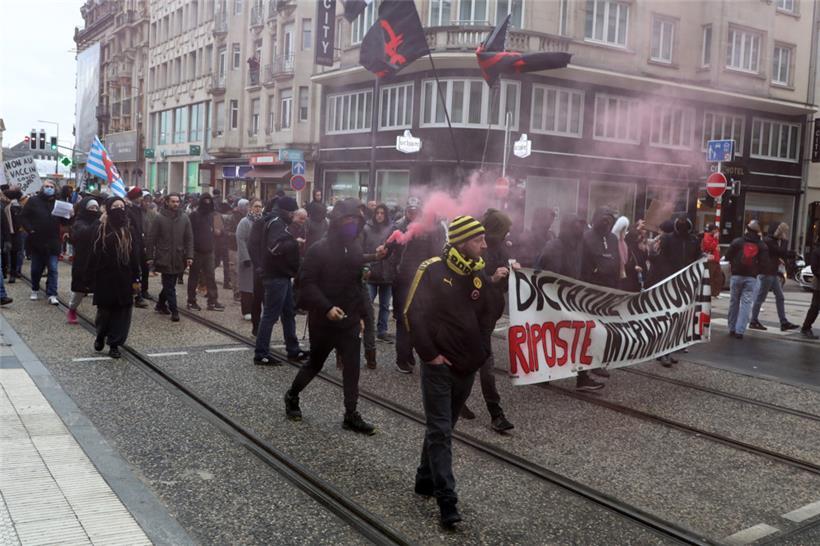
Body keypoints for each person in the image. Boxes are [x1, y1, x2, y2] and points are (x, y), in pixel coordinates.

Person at [404, 215, 492, 528]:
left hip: (467, 367)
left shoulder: (478, 273)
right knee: (440, 430)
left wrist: (481, 352)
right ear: (462, 241)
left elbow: (486, 316)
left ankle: (424, 478)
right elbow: (412, 313)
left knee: (442, 429)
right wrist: (430, 356)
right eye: (478, 239)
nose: (484, 244)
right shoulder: (431, 269)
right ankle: (447, 500)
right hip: (438, 366)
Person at [284, 198, 383, 435]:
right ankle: (292, 395)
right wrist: (327, 307)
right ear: (337, 222)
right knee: (315, 364)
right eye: (348, 220)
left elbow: (357, 278)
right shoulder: (319, 248)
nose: (353, 225)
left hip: (348, 319)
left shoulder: (355, 246)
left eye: (356, 221)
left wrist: (375, 259)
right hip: (323, 319)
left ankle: (351, 414)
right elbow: (306, 283)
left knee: (352, 368)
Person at [458, 209, 515, 432]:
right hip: (477, 315)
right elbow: (473, 283)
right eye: (505, 229)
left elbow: (501, 282)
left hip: (491, 313)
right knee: (485, 363)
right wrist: (493, 278)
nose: (508, 233)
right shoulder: (476, 249)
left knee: (474, 361)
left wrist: (511, 273)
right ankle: (496, 413)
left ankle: (458, 399)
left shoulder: (500, 247)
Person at [539, 214, 604, 391]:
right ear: (569, 227)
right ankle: (543, 373)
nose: (581, 230)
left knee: (579, 337)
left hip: (572, 298)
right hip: (555, 300)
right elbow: (550, 274)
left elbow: (585, 266)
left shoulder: (579, 245)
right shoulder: (555, 246)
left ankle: (582, 377)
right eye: (577, 225)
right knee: (554, 337)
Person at [249, 196, 309, 365]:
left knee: (289, 312)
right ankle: (261, 353)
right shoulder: (276, 223)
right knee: (270, 315)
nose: (293, 215)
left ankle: (293, 349)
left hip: (281, 275)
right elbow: (274, 248)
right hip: (276, 275)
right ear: (286, 211)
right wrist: (293, 242)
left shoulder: (274, 220)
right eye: (292, 212)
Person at [393, 197, 446, 374]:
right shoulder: (400, 226)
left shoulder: (430, 228)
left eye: (415, 210)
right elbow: (392, 250)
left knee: (417, 318)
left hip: (420, 279)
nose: (412, 213)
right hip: (403, 279)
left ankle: (409, 354)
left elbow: (435, 252)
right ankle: (403, 357)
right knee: (403, 319)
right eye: (410, 210)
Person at [90, 197, 140, 359]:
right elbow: (92, 253)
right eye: (115, 206)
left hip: (124, 278)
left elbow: (135, 256)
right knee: (105, 313)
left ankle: (115, 344)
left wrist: (136, 278)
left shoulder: (129, 230)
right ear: (108, 208)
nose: (119, 209)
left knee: (122, 314)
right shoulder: (100, 228)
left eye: (122, 206)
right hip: (104, 278)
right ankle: (100, 334)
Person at [580, 207, 619, 379]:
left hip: (607, 289)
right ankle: (583, 367)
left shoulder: (612, 238)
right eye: (604, 219)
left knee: (602, 330)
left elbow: (616, 260)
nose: (607, 222)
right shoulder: (586, 237)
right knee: (587, 331)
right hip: (590, 289)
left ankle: (597, 362)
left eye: (610, 220)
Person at [146, 193, 193, 322]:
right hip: (164, 257)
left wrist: (189, 255)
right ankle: (175, 311)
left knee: (169, 284)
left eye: (177, 201)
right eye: (173, 201)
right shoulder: (159, 218)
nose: (175, 204)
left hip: (178, 256)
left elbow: (189, 239)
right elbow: (151, 239)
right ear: (167, 202)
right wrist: (149, 257)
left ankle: (160, 304)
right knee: (170, 285)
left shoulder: (184, 218)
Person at [20, 180, 66, 304]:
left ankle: (52, 293)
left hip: (53, 241)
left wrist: (70, 215)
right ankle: (35, 288)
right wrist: (30, 230)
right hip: (37, 241)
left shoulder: (59, 202)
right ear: (42, 188)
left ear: (55, 189)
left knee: (53, 268)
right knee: (36, 269)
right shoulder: (33, 201)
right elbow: (23, 216)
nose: (49, 188)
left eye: (51, 187)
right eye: (46, 186)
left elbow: (65, 222)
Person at [749, 222, 800, 332]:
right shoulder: (768, 241)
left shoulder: (772, 241)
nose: (783, 235)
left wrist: (791, 253)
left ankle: (783, 322)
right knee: (760, 298)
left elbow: (781, 253)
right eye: (782, 233)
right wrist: (785, 241)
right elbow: (781, 252)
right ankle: (753, 321)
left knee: (780, 297)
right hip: (766, 273)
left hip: (772, 273)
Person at [725, 220, 768, 339]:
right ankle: (740, 331)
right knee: (746, 304)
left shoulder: (738, 242)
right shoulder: (761, 245)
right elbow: (765, 263)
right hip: (751, 278)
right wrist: (756, 271)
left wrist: (733, 265)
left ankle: (731, 328)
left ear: (747, 230)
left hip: (736, 276)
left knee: (734, 302)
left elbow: (728, 256)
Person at [187, 193, 225, 311]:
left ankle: (213, 301)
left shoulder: (215, 215)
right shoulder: (194, 215)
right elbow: (188, 234)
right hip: (196, 251)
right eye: (205, 201)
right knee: (193, 277)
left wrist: (218, 232)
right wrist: (189, 252)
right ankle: (191, 301)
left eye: (209, 201)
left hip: (209, 251)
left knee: (211, 277)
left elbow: (221, 232)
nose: (207, 203)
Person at [362, 203, 394, 343]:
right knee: (367, 303)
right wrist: (366, 265)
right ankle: (366, 329)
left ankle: (382, 330)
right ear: (374, 214)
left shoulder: (391, 228)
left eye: (382, 213)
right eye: (377, 213)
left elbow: (395, 249)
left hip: (387, 272)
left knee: (385, 305)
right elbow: (361, 249)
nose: (380, 215)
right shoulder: (366, 228)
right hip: (372, 271)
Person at [67, 198, 101, 324]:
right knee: (79, 289)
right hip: (84, 260)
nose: (94, 210)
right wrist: (98, 222)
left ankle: (101, 316)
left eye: (96, 208)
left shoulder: (101, 220)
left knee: (101, 289)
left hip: (98, 259)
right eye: (91, 208)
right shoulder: (79, 222)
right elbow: (85, 234)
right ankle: (72, 308)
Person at [236, 199, 263, 327]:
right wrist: (245, 257)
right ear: (250, 208)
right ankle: (246, 310)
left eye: (260, 206)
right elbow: (240, 240)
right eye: (256, 206)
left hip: (260, 258)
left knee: (259, 286)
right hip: (247, 259)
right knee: (247, 287)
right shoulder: (244, 222)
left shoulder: (263, 222)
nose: (258, 209)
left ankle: (257, 310)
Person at [126, 187, 149, 308]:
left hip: (139, 242)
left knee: (143, 268)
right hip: (131, 243)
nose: (141, 199)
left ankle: (141, 291)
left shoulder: (139, 209)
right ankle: (137, 295)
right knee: (135, 270)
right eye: (139, 196)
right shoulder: (128, 209)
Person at [799, 235, 820, 339]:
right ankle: (805, 328)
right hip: (819, 283)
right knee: (815, 307)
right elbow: (814, 268)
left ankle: (806, 327)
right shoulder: (817, 251)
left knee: (815, 307)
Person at [701, 223, 724, 297]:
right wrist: (715, 239)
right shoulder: (706, 237)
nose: (718, 232)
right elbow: (709, 248)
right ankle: (709, 293)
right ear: (713, 230)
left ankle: (714, 293)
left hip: (716, 260)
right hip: (710, 261)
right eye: (716, 230)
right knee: (710, 277)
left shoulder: (714, 238)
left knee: (718, 278)